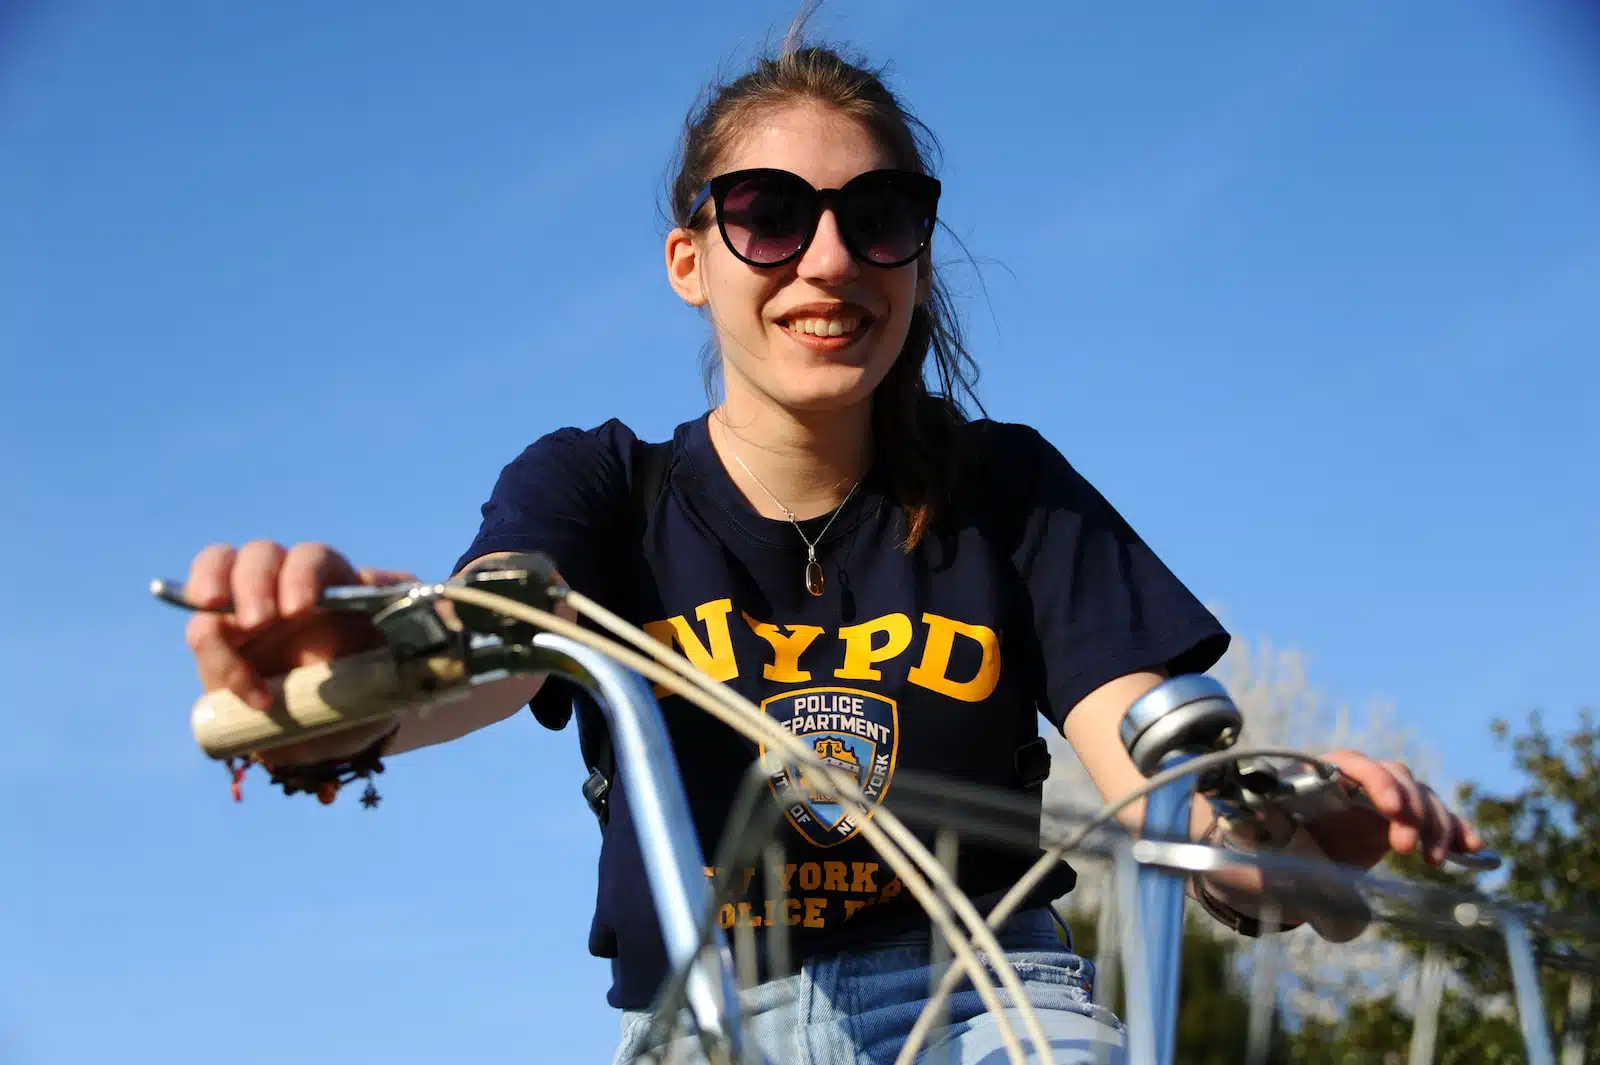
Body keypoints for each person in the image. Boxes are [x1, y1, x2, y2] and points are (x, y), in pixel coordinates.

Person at [176, 23, 1485, 1065]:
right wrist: (341, 673)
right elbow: (502, 642)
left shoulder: (1009, 492)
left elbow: (1156, 769)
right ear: (692, 258)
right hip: (706, 1017)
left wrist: (1279, 830)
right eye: (768, 214)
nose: (829, 258)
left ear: (915, 255)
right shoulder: (602, 488)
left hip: (995, 1003)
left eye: (877, 216)